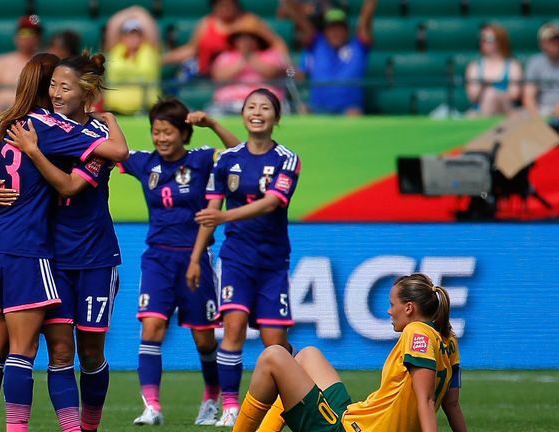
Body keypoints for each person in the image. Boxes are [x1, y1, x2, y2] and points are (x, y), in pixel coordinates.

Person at [0, 53, 129, 432]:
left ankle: (88, 426)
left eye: (65, 87)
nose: (57, 93)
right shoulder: (42, 126)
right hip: (51, 257)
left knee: (90, 353)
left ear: (85, 91)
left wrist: (35, 151)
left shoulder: (93, 136)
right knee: (59, 350)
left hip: (94, 257)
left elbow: (71, 185)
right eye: (53, 85)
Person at [115, 98, 241, 426]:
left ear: (184, 133)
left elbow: (240, 155)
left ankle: (213, 397)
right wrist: (106, 116)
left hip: (194, 259)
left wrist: (213, 123)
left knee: (203, 338)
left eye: (168, 132)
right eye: (156, 132)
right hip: (156, 258)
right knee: (151, 326)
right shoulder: (145, 163)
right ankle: (152, 406)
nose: (161, 138)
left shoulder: (201, 159)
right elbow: (111, 152)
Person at [186, 88, 301, 427]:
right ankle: (232, 407)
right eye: (251, 106)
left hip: (272, 262)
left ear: (276, 118)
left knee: (274, 347)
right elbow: (211, 211)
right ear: (243, 115)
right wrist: (196, 257)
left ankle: (292, 394)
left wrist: (225, 218)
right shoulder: (227, 160)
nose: (257, 112)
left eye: (265, 107)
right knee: (232, 327)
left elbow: (272, 202)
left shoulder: (287, 159)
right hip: (235, 258)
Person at [232, 273, 468, 432]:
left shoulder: (416, 332)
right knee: (308, 355)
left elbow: (425, 399)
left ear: (408, 308)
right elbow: (452, 405)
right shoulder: (448, 338)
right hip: (353, 417)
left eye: (392, 304)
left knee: (273, 356)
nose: (388, 311)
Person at [163, 0, 289, 77]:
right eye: (221, 4)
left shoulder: (249, 21)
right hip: (206, 73)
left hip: (237, 73)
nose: (225, 8)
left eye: (229, 4)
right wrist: (163, 59)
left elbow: (276, 43)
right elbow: (191, 49)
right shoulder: (206, 23)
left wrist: (289, 68)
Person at [293, 2, 376, 115]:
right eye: (331, 29)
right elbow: (299, 19)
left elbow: (366, 17)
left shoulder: (358, 46)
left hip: (348, 112)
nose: (336, 33)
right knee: (303, 110)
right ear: (325, 31)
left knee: (354, 114)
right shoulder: (317, 44)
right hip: (317, 110)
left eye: (340, 28)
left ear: (347, 31)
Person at [210, 21, 288, 115]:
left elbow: (271, 73)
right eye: (241, 38)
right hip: (229, 104)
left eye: (250, 38)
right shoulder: (225, 57)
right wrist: (242, 60)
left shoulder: (271, 55)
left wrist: (250, 56)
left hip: (265, 104)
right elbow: (219, 77)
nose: (245, 41)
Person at [103, 6, 161, 115]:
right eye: (128, 34)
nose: (133, 37)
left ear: (142, 36)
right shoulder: (115, 50)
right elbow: (113, 24)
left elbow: (150, 26)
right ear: (122, 37)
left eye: (136, 34)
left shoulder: (150, 51)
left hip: (146, 111)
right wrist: (129, 12)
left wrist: (139, 11)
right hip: (115, 111)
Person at [0, 15, 43, 116]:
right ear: (16, 37)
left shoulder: (44, 63)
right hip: (2, 114)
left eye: (33, 33)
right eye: (24, 33)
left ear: (39, 38)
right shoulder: (1, 62)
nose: (29, 37)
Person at [465, 24, 523, 117]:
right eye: (481, 38)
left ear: (500, 40)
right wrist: (483, 86)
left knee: (491, 94)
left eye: (488, 38)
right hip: (480, 110)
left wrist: (493, 91)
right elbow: (473, 97)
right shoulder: (474, 66)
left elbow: (514, 95)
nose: (483, 42)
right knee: (488, 95)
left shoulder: (513, 65)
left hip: (506, 110)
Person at [523, 23, 559, 120]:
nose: (553, 42)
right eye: (548, 39)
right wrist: (537, 120)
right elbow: (529, 97)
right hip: (543, 110)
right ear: (541, 43)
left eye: (556, 38)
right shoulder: (534, 63)